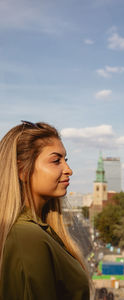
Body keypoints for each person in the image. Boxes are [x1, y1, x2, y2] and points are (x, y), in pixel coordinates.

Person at [0, 121, 90, 300]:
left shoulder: (37, 231)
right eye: (56, 161)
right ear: (22, 170)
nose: (69, 170)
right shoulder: (27, 237)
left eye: (66, 160)